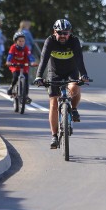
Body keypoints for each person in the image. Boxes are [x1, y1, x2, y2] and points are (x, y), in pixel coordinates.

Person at [34, 19, 90, 149]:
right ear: (55, 32)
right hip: (54, 73)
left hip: (71, 71)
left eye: (66, 33)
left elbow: (79, 59)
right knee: (53, 103)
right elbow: (43, 60)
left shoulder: (74, 41)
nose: (63, 35)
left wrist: (84, 74)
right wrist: (38, 76)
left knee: (74, 86)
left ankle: (74, 109)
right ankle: (54, 136)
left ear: (70, 33)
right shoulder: (50, 41)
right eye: (60, 33)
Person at [5, 31, 37, 98]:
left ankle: (26, 95)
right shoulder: (13, 47)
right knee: (15, 77)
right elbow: (10, 55)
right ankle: (12, 87)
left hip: (24, 66)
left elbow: (29, 56)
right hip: (15, 65)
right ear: (16, 41)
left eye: (23, 41)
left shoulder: (26, 48)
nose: (21, 43)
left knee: (26, 80)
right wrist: (8, 61)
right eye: (19, 41)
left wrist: (32, 62)